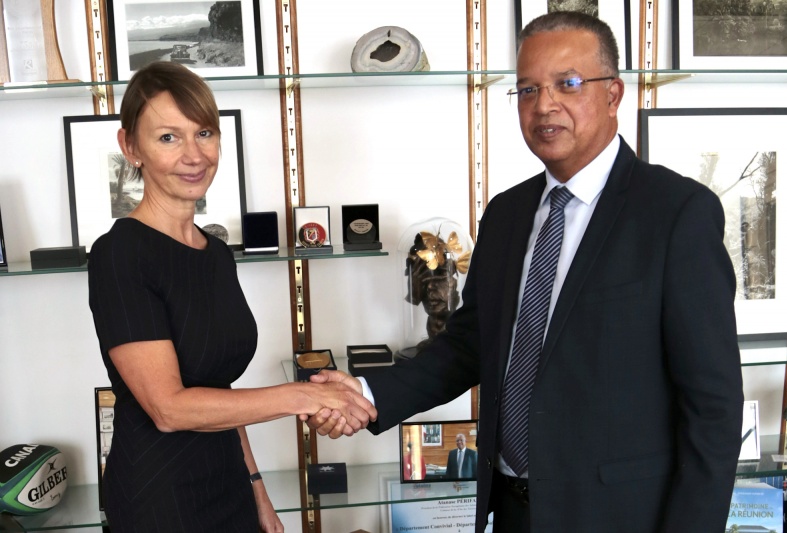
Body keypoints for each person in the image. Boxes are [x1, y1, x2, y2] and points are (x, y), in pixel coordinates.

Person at [307, 11, 744, 533]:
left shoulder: (676, 213)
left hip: (621, 517)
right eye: (528, 89)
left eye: (568, 83)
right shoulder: (507, 214)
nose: (544, 105)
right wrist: (367, 394)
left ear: (613, 94)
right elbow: (468, 346)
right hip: (512, 511)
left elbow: (714, 408)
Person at [87, 61, 376, 533]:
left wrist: (257, 489)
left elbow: (217, 388)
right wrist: (304, 395)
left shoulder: (216, 253)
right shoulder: (119, 254)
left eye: (204, 133)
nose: (193, 155)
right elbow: (169, 408)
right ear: (130, 147)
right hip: (160, 498)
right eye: (168, 137)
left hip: (228, 482)